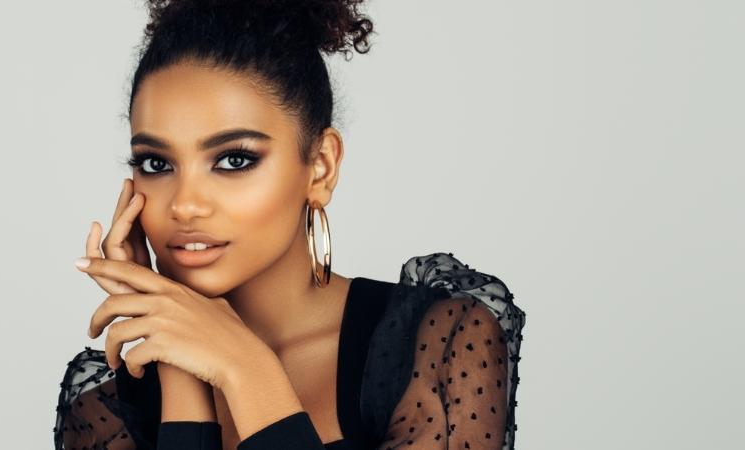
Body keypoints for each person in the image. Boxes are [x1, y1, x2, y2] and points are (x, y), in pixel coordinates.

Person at [54, 1, 526, 449]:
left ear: (320, 167)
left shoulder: (437, 346)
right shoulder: (107, 410)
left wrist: (247, 369)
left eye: (234, 159)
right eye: (156, 164)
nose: (185, 205)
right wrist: (182, 376)